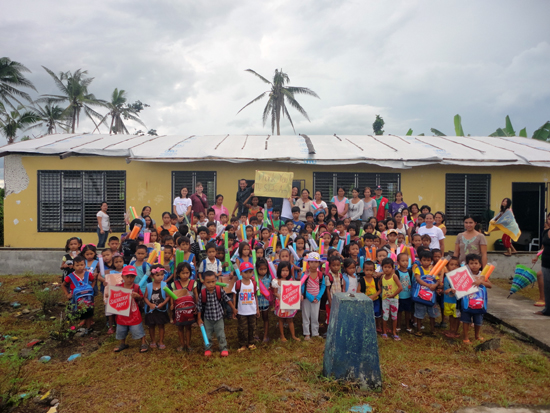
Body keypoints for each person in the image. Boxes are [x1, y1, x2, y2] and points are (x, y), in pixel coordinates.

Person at [197, 271, 237, 357]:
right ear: (204, 282)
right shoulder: (202, 293)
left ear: (216, 280)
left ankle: (223, 348)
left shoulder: (219, 290)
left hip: (219, 317)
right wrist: (199, 318)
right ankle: (208, 349)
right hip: (207, 318)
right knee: (207, 335)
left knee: (221, 334)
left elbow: (227, 299)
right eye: (208, 282)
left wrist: (233, 308)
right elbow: (199, 306)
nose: (211, 284)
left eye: (213, 281)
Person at [111, 266, 148, 353]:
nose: (129, 279)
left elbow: (141, 298)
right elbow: (113, 297)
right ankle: (122, 343)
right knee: (121, 329)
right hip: (122, 313)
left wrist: (138, 296)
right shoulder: (118, 287)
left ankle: (143, 342)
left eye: (132, 276)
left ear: (135, 277)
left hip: (133, 313)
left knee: (137, 328)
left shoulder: (136, 287)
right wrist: (108, 296)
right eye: (127, 276)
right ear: (122, 276)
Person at [461, 254, 492, 344]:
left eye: (476, 263)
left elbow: (490, 285)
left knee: (478, 320)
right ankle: (466, 337)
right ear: (467, 265)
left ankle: (477, 335)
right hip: (467, 302)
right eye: (471, 263)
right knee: (466, 320)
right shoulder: (465, 275)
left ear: (480, 265)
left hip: (479, 303)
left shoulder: (482, 275)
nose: (474, 265)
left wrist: (481, 282)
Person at [61, 255, 96, 334]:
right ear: (73, 266)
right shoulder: (70, 276)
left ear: (85, 265)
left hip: (87, 298)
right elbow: (63, 285)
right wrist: (67, 294)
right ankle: (72, 328)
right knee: (73, 312)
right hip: (74, 298)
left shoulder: (88, 274)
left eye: (82, 265)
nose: (80, 267)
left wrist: (91, 288)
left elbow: (93, 280)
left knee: (88, 312)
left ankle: (88, 328)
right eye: (77, 265)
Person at [232, 262, 260, 352]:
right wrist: (234, 308)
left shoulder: (254, 284)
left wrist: (257, 309)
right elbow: (234, 296)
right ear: (240, 273)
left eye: (250, 272)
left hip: (252, 310)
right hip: (242, 311)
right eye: (246, 272)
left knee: (252, 327)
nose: (248, 274)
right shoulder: (238, 284)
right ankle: (243, 344)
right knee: (242, 328)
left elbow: (255, 296)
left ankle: (251, 342)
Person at [171, 262, 198, 352]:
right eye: (183, 273)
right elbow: (172, 295)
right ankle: (182, 344)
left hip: (189, 310)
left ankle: (188, 344)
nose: (185, 275)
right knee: (180, 327)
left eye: (187, 273)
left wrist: (197, 306)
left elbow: (196, 295)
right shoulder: (174, 284)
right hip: (179, 310)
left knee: (188, 327)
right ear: (178, 273)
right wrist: (171, 305)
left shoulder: (193, 283)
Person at [144, 265, 171, 350]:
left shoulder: (164, 285)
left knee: (161, 325)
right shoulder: (148, 286)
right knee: (151, 326)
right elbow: (145, 297)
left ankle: (161, 341)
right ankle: (153, 340)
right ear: (152, 276)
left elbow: (168, 296)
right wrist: (150, 304)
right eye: (157, 275)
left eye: (162, 275)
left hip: (161, 310)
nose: (160, 277)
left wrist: (163, 304)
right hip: (151, 310)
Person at [301, 252, 326, 340]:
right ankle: (307, 333)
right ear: (308, 263)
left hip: (316, 299)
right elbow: (302, 286)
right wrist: (310, 297)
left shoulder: (320, 275)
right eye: (311, 262)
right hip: (307, 299)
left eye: (316, 262)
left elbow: (323, 286)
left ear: (319, 263)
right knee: (306, 315)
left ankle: (315, 333)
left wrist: (318, 297)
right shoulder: (305, 274)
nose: (314, 264)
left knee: (315, 316)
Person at [379, 257, 403, 340]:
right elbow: (379, 285)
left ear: (392, 268)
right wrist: (380, 291)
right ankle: (384, 332)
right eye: (385, 267)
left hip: (394, 299)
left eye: (389, 267)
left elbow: (400, 288)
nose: (387, 269)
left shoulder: (394, 276)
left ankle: (394, 332)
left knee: (394, 316)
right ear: (382, 268)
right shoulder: (382, 277)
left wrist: (393, 295)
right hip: (385, 299)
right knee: (385, 316)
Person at [534, 212, 550, 316]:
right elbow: (542, 247)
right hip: (546, 262)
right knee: (547, 287)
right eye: (549, 219)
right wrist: (537, 256)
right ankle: (547, 310)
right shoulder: (545, 232)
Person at [443, 257, 461, 338]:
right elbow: (445, 287)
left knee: (456, 317)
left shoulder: (459, 277)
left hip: (456, 302)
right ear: (447, 266)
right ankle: (451, 329)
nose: (454, 266)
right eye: (451, 264)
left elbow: (461, 288)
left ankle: (455, 331)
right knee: (450, 316)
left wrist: (452, 289)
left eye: (456, 265)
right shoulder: (446, 276)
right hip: (448, 300)